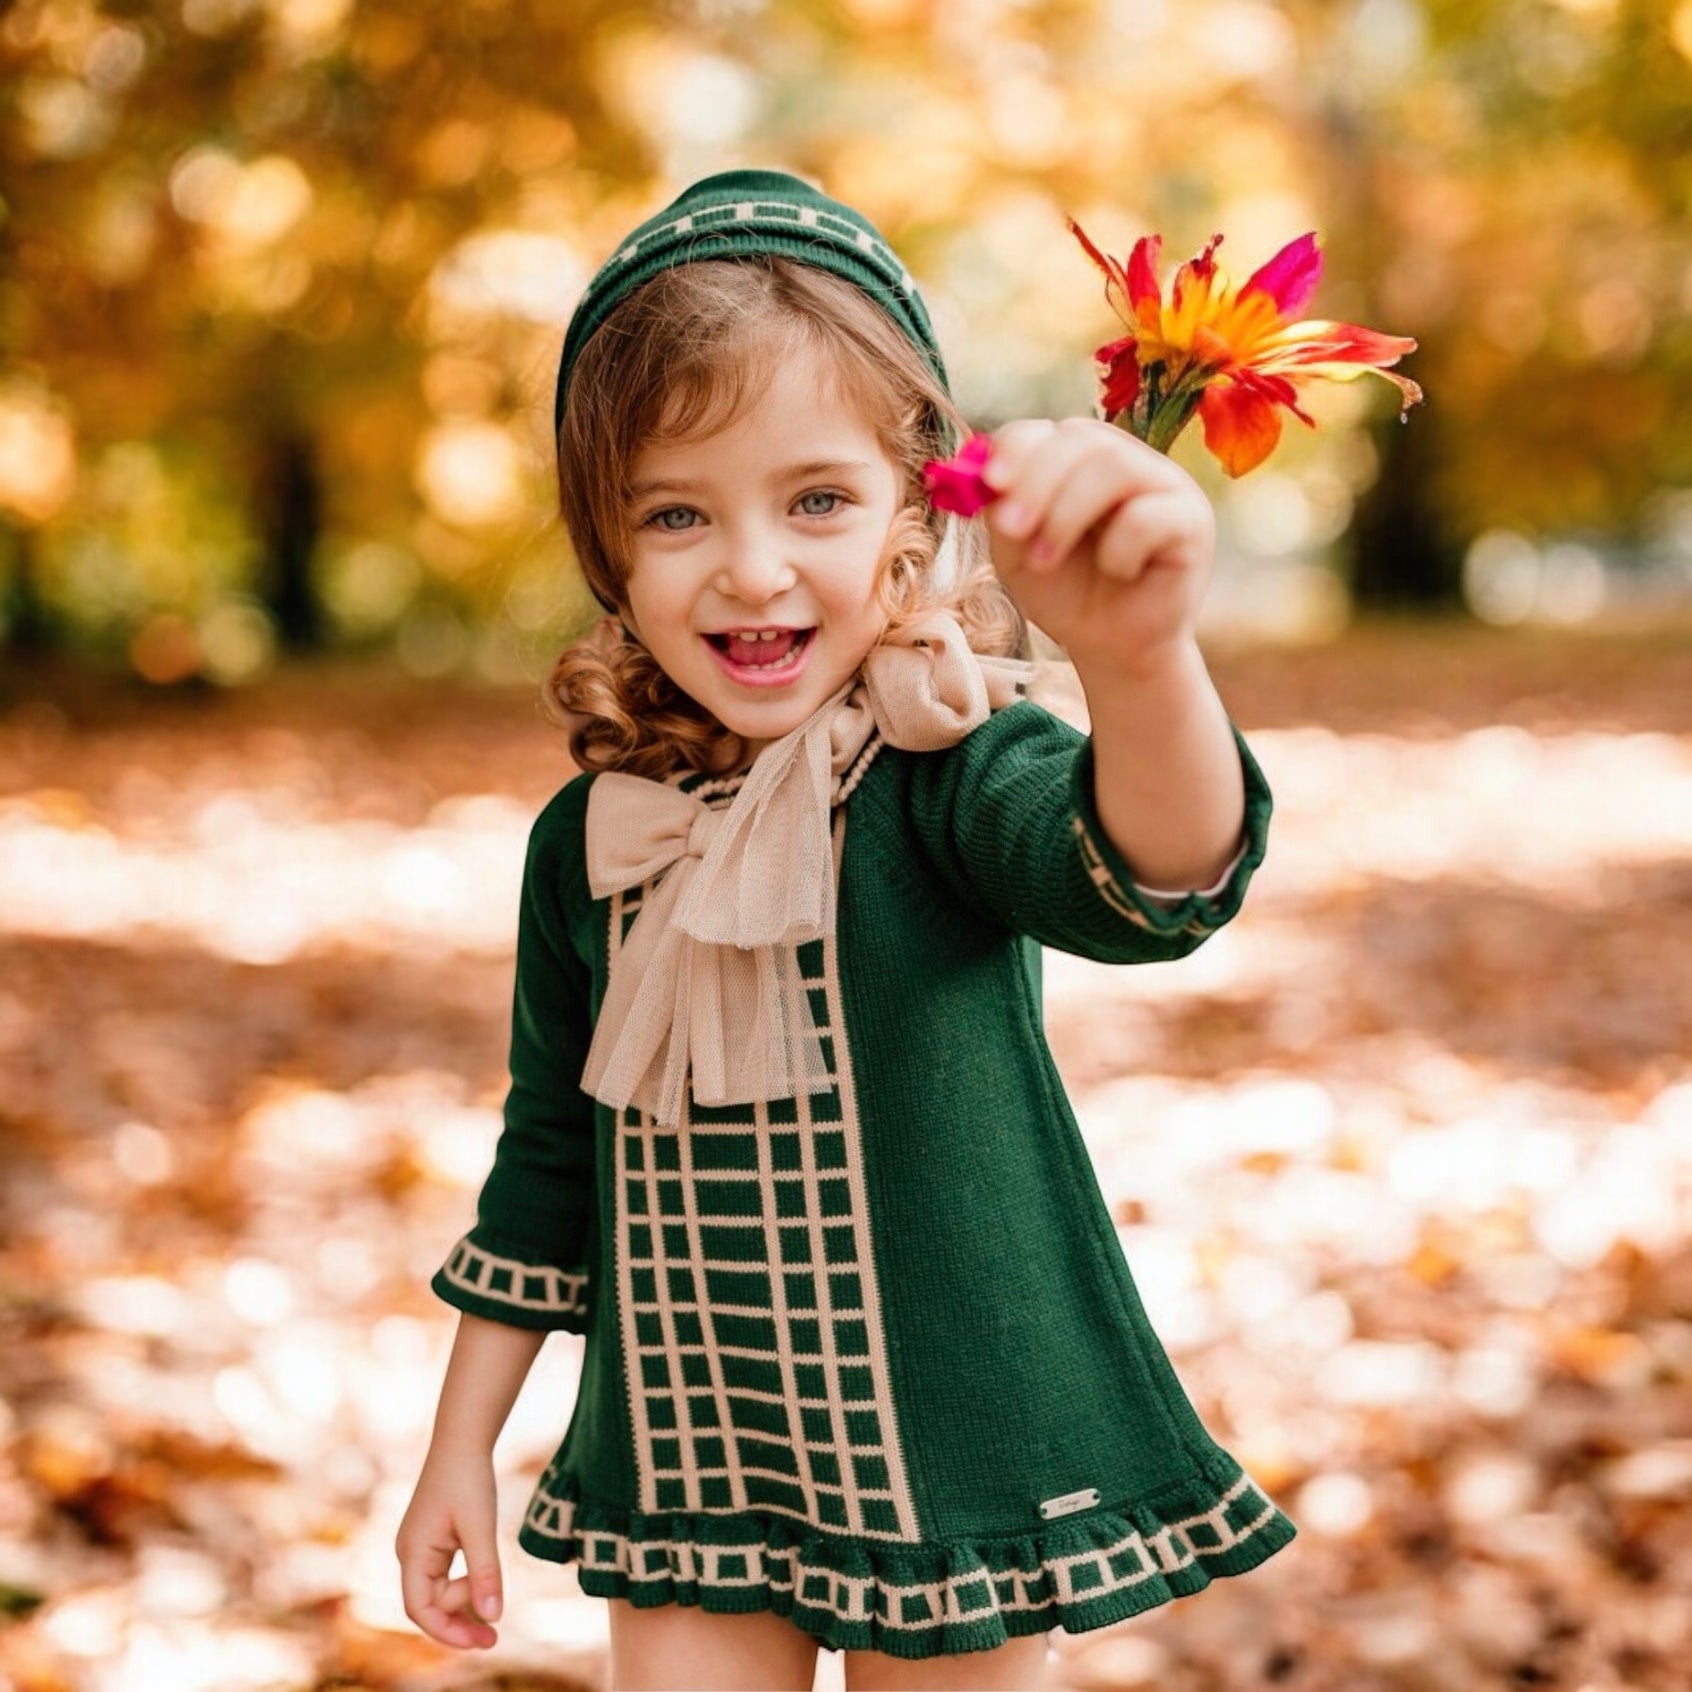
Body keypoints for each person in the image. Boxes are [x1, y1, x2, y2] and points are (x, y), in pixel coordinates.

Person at [395, 167, 1297, 1691]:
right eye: (676, 512)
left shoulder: (946, 768)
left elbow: (1153, 877)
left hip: (945, 1446)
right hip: (691, 1438)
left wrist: (1140, 662)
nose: (752, 568)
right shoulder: (600, 838)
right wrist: (458, 1447)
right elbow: (549, 1161)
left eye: (816, 500)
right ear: (609, 551)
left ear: (911, 513)